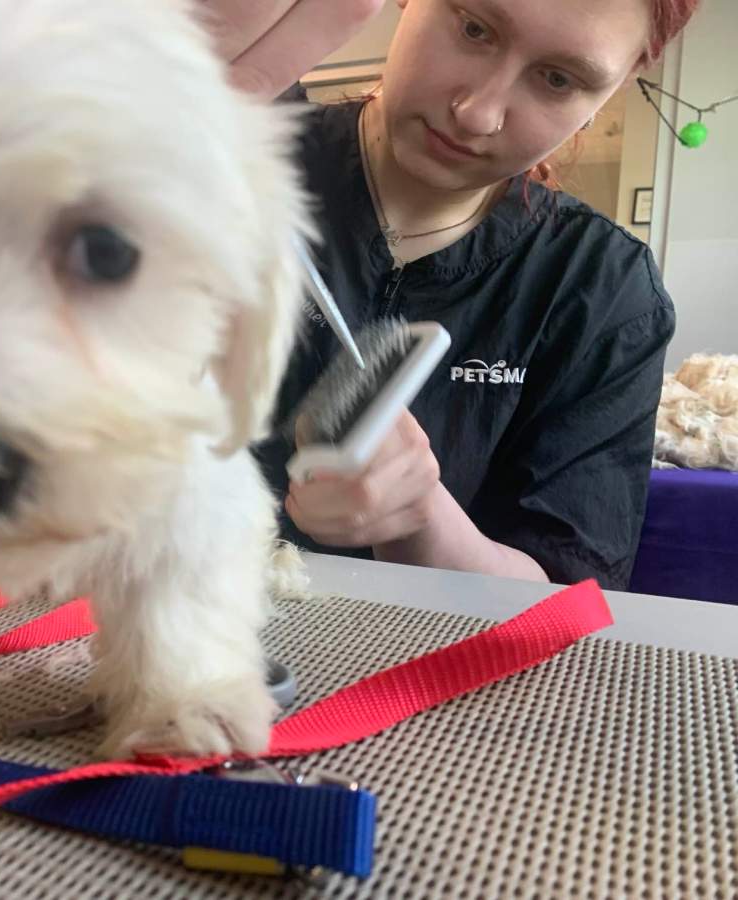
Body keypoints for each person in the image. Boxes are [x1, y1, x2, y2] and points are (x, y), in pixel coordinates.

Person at [205, 0, 700, 589]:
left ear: (609, 94)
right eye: (473, 29)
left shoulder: (603, 290)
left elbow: (564, 594)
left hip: (418, 667)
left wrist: (421, 519)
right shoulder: (231, 154)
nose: (477, 114)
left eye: (558, 78)